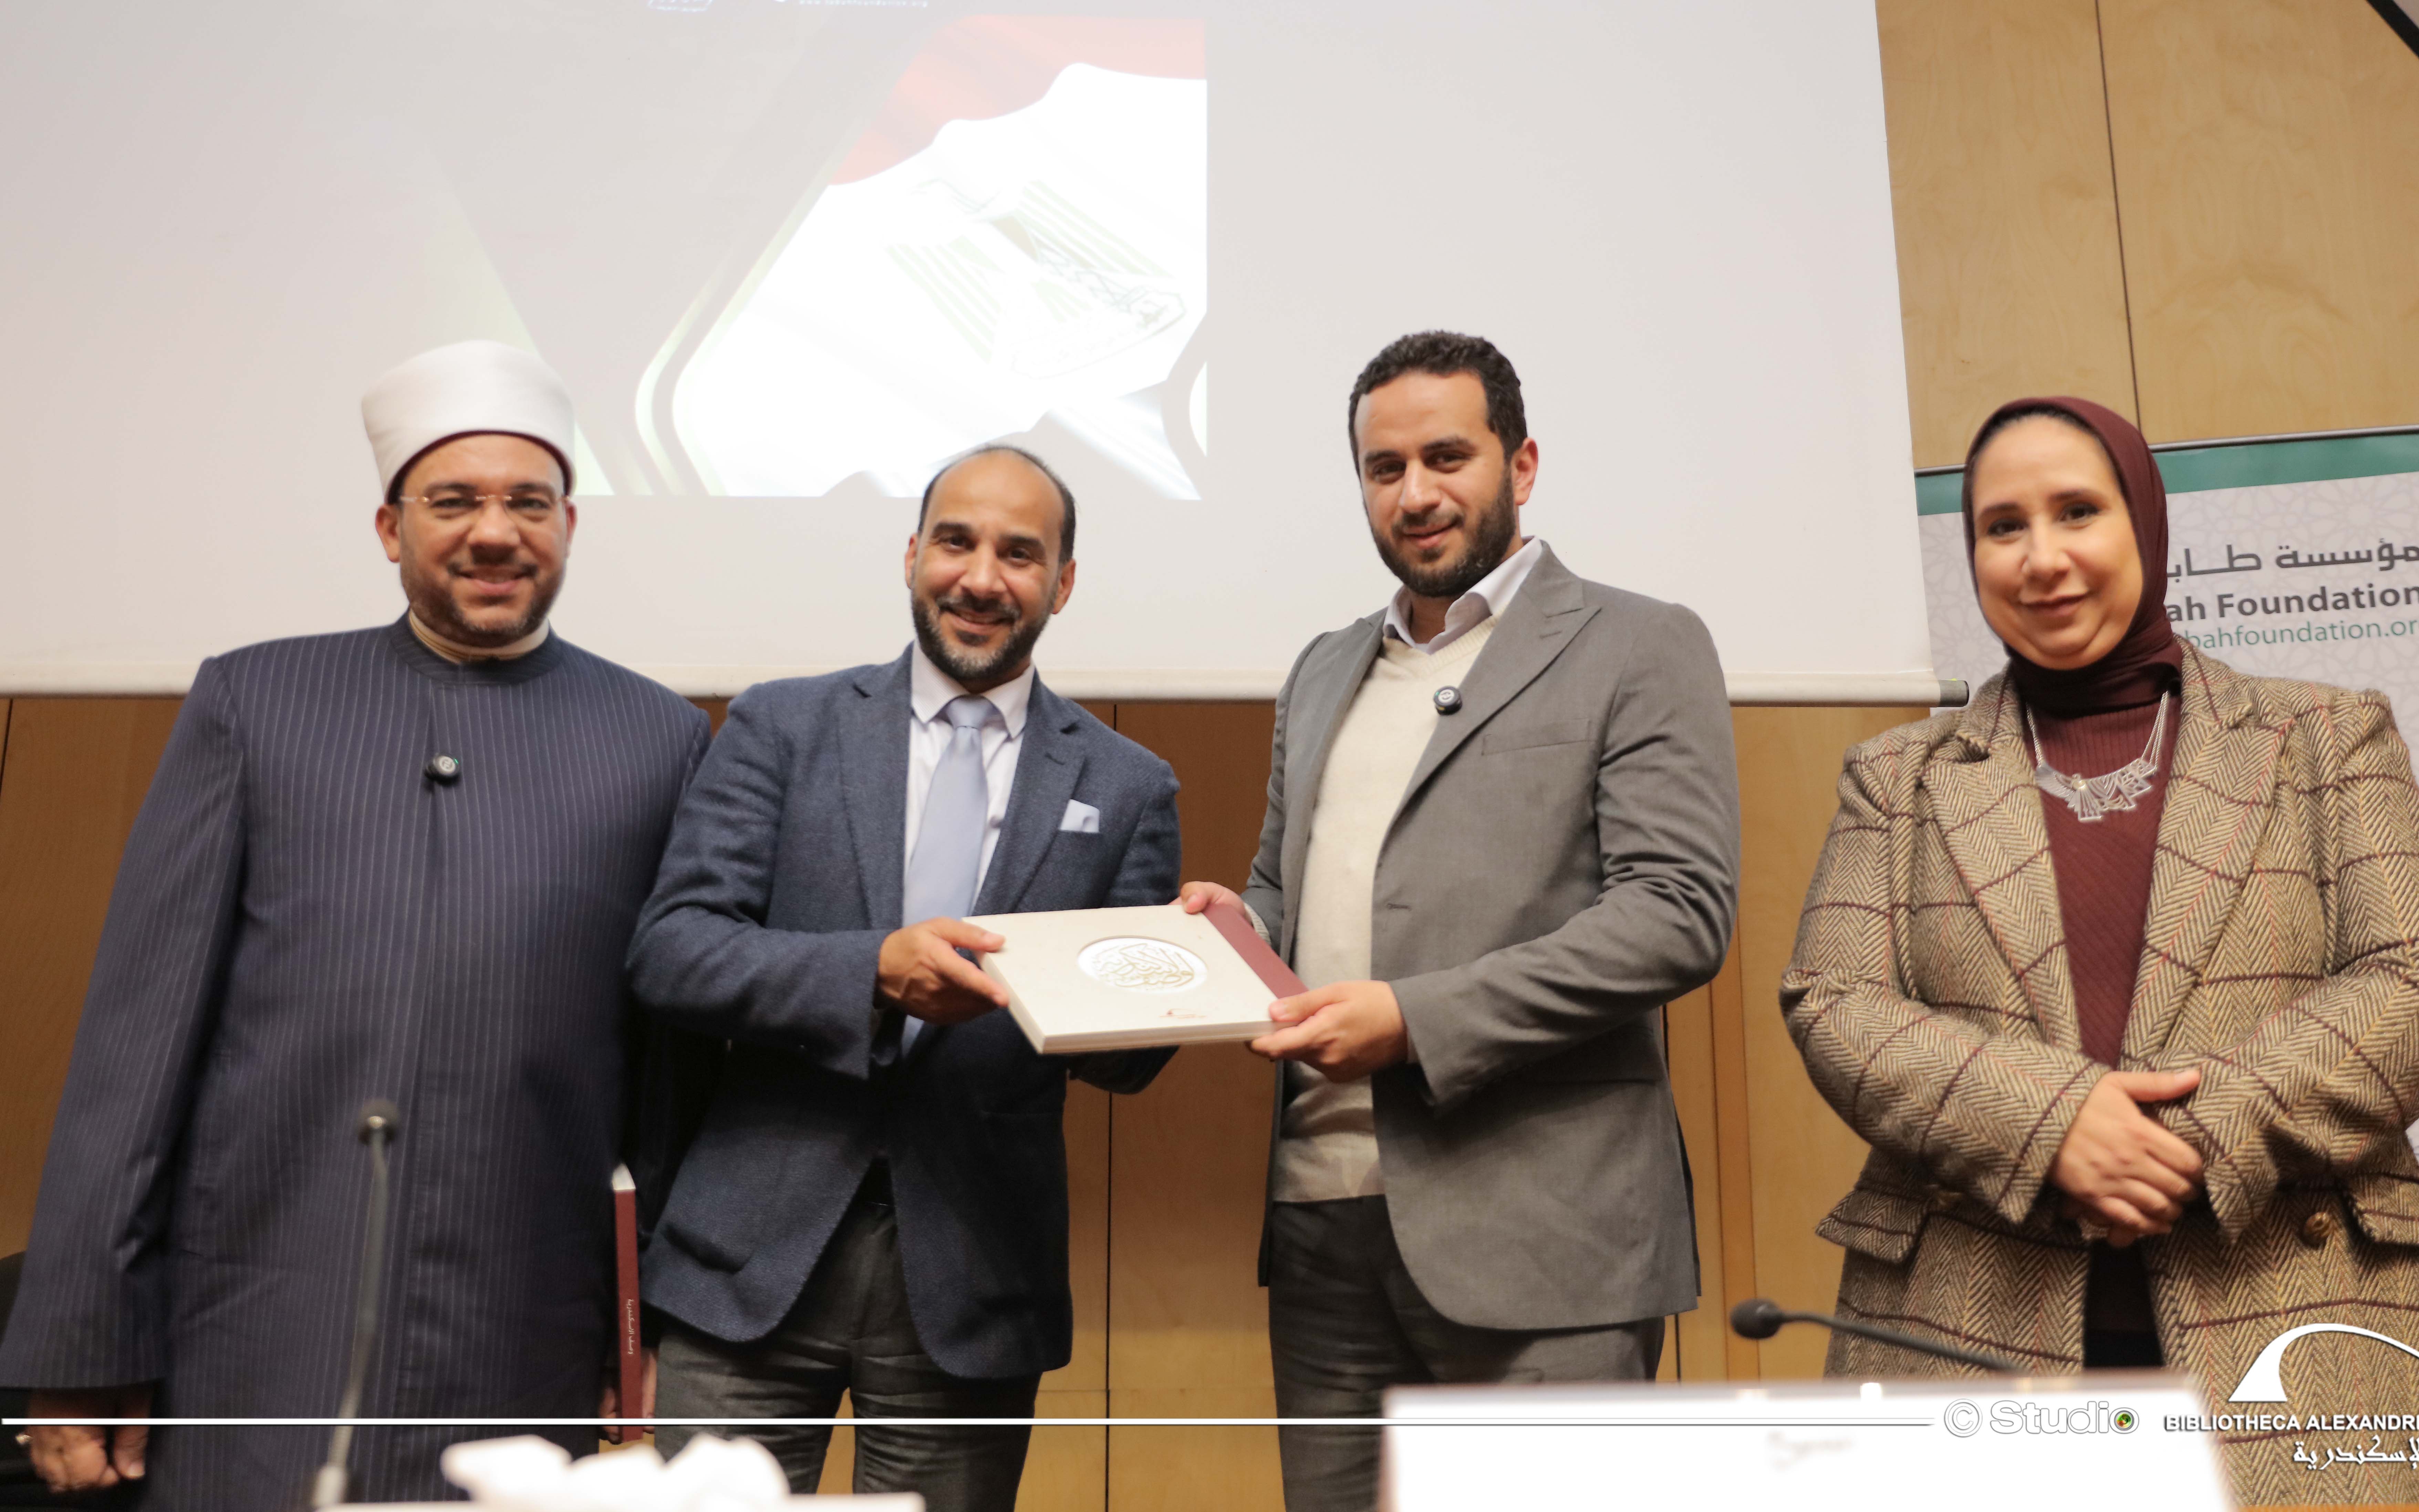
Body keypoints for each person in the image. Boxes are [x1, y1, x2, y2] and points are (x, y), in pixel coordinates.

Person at [0, 340, 711, 1506]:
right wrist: (80, 1347)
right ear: (390, 528)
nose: (495, 533)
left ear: (570, 525)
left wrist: (636, 1339)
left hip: (521, 1330)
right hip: (254, 1326)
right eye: (454, 502)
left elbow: (666, 1086)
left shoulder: (656, 739)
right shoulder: (257, 702)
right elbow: (135, 1053)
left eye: (529, 503)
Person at [1783, 396, 2419, 1503]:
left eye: (2077, 511)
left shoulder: (2324, 736)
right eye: (2001, 526)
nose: (2041, 559)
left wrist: (2191, 1137)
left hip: (2306, 1304)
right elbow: (1834, 1001)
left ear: (2145, 521)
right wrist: (2049, 1125)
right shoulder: (1898, 779)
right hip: (1964, 1322)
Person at [1176, 331, 1740, 1512]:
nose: (1415, 495)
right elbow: (1284, 887)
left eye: (1447, 458)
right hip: (1323, 1219)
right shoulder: (1323, 668)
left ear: (1520, 464)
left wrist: (1413, 1021)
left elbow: (1676, 913)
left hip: (1546, 1237)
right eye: (1384, 469)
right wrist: (1233, 930)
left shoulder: (1638, 643)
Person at [629, 444, 1180, 1507]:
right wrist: (869, 973)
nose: (981, 577)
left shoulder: (1127, 785)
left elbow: (1131, 1060)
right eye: (955, 543)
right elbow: (674, 950)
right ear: (912, 554)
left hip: (974, 1282)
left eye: (1019, 553)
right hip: (745, 1264)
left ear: (1063, 582)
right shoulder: (784, 727)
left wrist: (1183, 967)